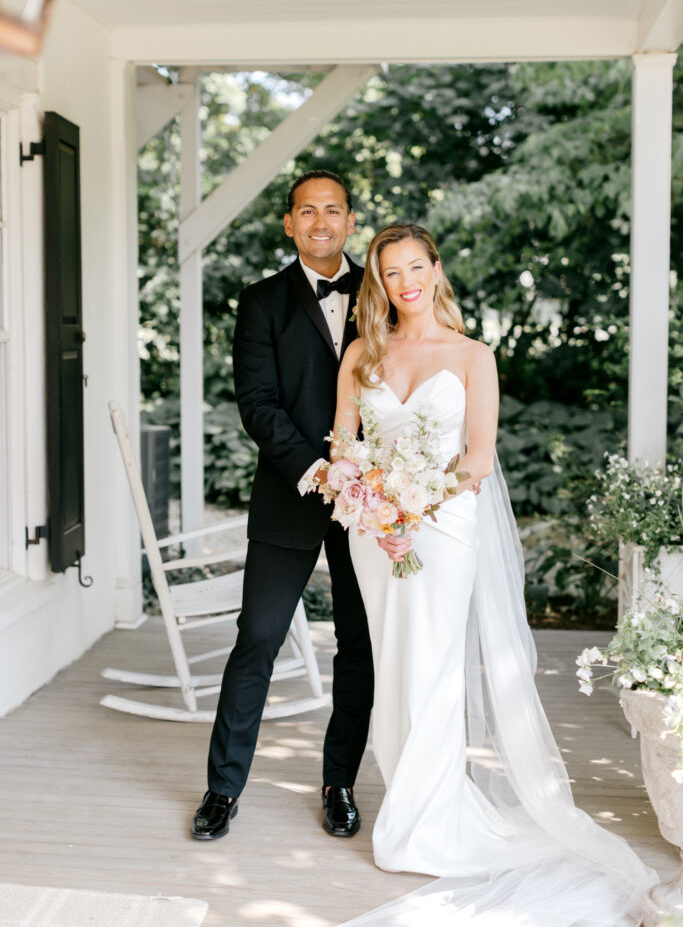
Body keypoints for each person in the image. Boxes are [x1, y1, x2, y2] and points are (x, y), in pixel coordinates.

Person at [329, 224, 657, 926]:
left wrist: (416, 500)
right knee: (391, 667)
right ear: (378, 283)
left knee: (435, 668)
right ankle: (410, 807)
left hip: (443, 530)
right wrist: (368, 498)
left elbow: (478, 459)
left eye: (416, 267)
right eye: (391, 273)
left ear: (436, 270)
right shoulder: (361, 353)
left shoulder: (474, 356)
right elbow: (344, 444)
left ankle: (427, 825)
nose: (405, 282)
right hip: (373, 536)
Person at [191, 171, 374, 842]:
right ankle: (221, 789)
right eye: (307, 211)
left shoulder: (381, 293)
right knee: (257, 639)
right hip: (289, 491)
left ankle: (339, 784)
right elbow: (257, 405)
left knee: (358, 646)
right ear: (289, 223)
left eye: (332, 210)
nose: (320, 221)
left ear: (349, 221)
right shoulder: (260, 301)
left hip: (369, 503)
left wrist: (365, 474)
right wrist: (316, 469)